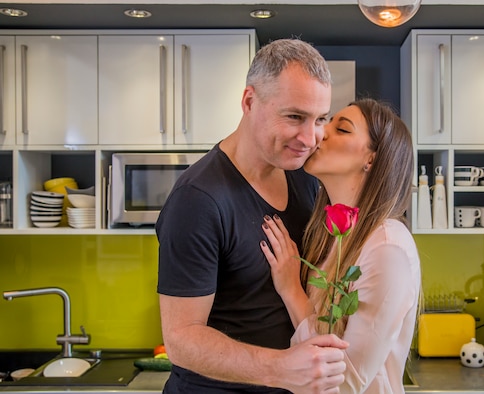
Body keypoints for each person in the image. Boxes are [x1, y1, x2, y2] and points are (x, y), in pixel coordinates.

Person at [156, 39, 349, 394]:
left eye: (320, 119)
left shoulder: (303, 175)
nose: (310, 138)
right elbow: (181, 339)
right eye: (294, 117)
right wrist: (280, 369)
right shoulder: (198, 199)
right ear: (249, 101)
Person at [261, 98, 421, 394]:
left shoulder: (388, 247)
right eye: (327, 123)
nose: (320, 134)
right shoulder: (331, 237)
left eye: (342, 129)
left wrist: (291, 288)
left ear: (371, 159)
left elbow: (345, 382)